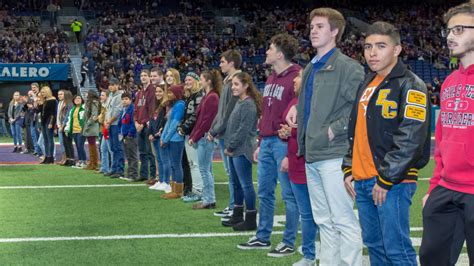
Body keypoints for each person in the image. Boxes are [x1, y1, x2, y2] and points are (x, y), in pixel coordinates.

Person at [342, 21, 430, 265]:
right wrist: (349, 168)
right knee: (376, 249)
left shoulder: (412, 84)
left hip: (391, 183)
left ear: (397, 50)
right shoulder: (367, 82)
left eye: (381, 46)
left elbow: (411, 137)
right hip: (362, 180)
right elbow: (356, 131)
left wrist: (387, 178)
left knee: (397, 251)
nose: (372, 52)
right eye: (368, 46)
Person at [285, 8, 365, 265]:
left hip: (334, 154)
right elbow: (313, 101)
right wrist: (298, 106)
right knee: (324, 221)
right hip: (312, 154)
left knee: (343, 220)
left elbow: (356, 110)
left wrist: (331, 131)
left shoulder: (348, 67)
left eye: (320, 26)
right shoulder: (311, 66)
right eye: (312, 26)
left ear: (335, 32)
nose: (313, 30)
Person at [420, 3, 474, 265]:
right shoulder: (450, 82)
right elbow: (441, 142)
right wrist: (433, 187)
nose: (451, 36)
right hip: (446, 188)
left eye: (460, 29)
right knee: (432, 259)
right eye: (449, 30)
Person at [238, 34, 301, 258]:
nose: (266, 52)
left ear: (280, 54)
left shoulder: (297, 77)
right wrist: (261, 141)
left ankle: (288, 241)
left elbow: (299, 111)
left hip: (284, 143)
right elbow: (267, 113)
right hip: (267, 142)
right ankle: (263, 236)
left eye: (270, 48)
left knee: (289, 194)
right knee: (264, 192)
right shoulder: (272, 78)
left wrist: (287, 137)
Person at [278, 69, 318, 265]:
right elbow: (290, 131)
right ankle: (309, 251)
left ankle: (310, 254)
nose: (294, 79)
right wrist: (285, 134)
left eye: (299, 76)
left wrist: (291, 133)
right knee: (305, 212)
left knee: (310, 213)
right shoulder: (294, 102)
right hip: (294, 161)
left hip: (307, 163)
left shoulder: (314, 103)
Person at [223, 72, 261, 231]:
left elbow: (243, 130)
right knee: (237, 183)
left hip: (242, 149)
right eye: (233, 85)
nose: (233, 87)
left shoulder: (248, 104)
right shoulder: (240, 102)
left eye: (237, 84)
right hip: (235, 149)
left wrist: (230, 146)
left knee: (245, 184)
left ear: (246, 86)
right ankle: (237, 214)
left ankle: (251, 218)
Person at [208, 49, 242, 220]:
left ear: (231, 63)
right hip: (225, 132)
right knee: (231, 173)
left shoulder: (236, 82)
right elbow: (222, 111)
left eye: (222, 61)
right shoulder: (228, 82)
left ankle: (237, 206)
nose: (220, 64)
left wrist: (215, 129)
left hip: (230, 133)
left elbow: (228, 111)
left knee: (234, 173)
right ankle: (233, 205)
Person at [189, 70, 220, 209]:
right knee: (206, 169)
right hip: (203, 137)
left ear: (208, 81)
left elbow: (207, 121)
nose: (199, 81)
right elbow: (200, 119)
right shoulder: (208, 96)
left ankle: (209, 199)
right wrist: (193, 135)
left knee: (204, 170)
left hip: (205, 138)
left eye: (201, 79)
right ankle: (209, 198)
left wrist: (195, 136)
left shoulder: (212, 97)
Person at [179, 72, 205, 202]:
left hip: (194, 133)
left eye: (189, 80)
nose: (187, 82)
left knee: (195, 164)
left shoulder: (198, 96)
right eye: (185, 80)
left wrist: (184, 127)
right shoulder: (190, 96)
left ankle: (198, 191)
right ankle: (198, 189)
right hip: (190, 132)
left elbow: (196, 116)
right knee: (193, 163)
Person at [160, 85, 186, 199]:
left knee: (176, 164)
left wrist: (165, 138)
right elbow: (168, 123)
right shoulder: (175, 105)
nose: (169, 95)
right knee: (173, 164)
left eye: (171, 93)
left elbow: (174, 124)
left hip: (176, 139)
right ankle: (173, 189)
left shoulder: (180, 105)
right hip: (171, 138)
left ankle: (178, 191)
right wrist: (163, 137)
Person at [134, 70, 157, 182]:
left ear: (149, 77)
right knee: (142, 151)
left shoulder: (152, 91)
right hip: (139, 125)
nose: (143, 77)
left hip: (147, 125)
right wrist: (136, 122)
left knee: (149, 152)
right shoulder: (139, 93)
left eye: (145, 75)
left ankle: (152, 175)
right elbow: (136, 110)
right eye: (141, 75)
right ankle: (143, 174)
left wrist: (142, 123)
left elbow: (152, 110)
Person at [148, 85, 171, 192]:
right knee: (160, 160)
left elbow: (164, 122)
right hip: (154, 136)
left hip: (161, 136)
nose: (157, 93)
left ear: (164, 92)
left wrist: (157, 134)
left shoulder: (165, 105)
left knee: (165, 160)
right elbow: (152, 120)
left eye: (160, 91)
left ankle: (167, 182)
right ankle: (161, 180)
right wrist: (150, 133)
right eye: (156, 91)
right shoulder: (156, 105)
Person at [105, 78, 125, 179]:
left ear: (118, 85)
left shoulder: (120, 95)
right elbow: (107, 110)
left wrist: (109, 121)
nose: (111, 86)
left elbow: (118, 111)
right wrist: (106, 121)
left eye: (113, 85)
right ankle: (114, 168)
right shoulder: (110, 96)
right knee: (113, 147)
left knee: (118, 147)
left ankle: (120, 170)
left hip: (116, 124)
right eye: (110, 84)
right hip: (110, 124)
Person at [119, 92, 139, 182]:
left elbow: (132, 123)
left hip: (131, 135)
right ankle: (129, 174)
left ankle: (133, 175)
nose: (124, 101)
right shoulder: (123, 109)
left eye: (126, 99)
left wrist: (130, 134)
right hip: (124, 135)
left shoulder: (132, 109)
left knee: (132, 155)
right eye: (123, 99)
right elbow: (121, 122)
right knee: (128, 155)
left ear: (131, 100)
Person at [65, 95, 86, 168]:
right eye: (76, 98)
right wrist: (67, 129)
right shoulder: (73, 109)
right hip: (74, 130)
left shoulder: (84, 108)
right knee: (77, 146)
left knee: (80, 145)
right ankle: (80, 160)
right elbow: (70, 120)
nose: (77, 99)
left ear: (82, 99)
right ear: (73, 100)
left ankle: (84, 161)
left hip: (81, 130)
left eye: (79, 98)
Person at [82, 90, 100, 171]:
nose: (85, 95)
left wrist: (88, 124)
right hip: (89, 125)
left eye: (87, 93)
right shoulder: (89, 102)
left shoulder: (94, 102)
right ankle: (91, 162)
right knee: (90, 145)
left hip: (92, 126)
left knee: (92, 145)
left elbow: (94, 115)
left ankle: (94, 163)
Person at [40, 86, 57, 164]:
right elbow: (41, 111)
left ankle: (50, 157)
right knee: (45, 139)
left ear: (47, 92)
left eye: (43, 92)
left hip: (48, 121)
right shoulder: (45, 100)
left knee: (50, 139)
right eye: (41, 92)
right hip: (43, 121)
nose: (42, 94)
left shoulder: (52, 100)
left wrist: (51, 123)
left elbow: (53, 113)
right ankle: (46, 156)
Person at [58, 90, 75, 167]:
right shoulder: (65, 104)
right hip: (63, 125)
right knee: (65, 143)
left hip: (67, 126)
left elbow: (68, 116)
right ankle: (68, 159)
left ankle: (71, 159)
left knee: (68, 143)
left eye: (63, 94)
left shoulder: (69, 104)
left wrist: (63, 125)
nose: (61, 96)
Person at [97, 91, 112, 174]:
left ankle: (112, 168)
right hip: (104, 130)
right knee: (103, 149)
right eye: (101, 95)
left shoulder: (107, 106)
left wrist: (100, 118)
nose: (101, 97)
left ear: (107, 96)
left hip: (108, 129)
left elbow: (101, 119)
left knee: (110, 150)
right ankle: (104, 168)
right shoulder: (103, 106)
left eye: (103, 95)